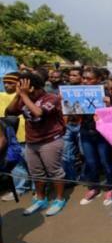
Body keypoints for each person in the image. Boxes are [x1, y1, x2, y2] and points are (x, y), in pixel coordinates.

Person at [6, 73, 67, 216]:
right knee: (36, 173)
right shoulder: (24, 97)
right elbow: (10, 112)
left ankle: (59, 199)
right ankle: (40, 199)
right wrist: (18, 95)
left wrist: (25, 96)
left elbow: (38, 113)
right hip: (32, 141)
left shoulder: (51, 98)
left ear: (34, 88)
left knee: (55, 172)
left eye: (25, 88)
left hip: (50, 140)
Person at [79, 67, 112, 206]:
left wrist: (109, 105)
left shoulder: (106, 94)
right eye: (84, 78)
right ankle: (94, 188)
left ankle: (111, 187)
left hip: (103, 134)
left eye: (89, 79)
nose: (85, 81)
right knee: (90, 162)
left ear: (98, 80)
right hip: (86, 131)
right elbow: (74, 114)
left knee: (106, 161)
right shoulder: (77, 94)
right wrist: (67, 104)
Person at [0, 73, 30, 201]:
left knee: (31, 163)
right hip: (8, 138)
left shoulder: (26, 96)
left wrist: (21, 94)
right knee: (16, 164)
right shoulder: (0, 96)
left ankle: (37, 188)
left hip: (26, 135)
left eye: (11, 83)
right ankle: (20, 188)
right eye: (5, 82)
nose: (7, 85)